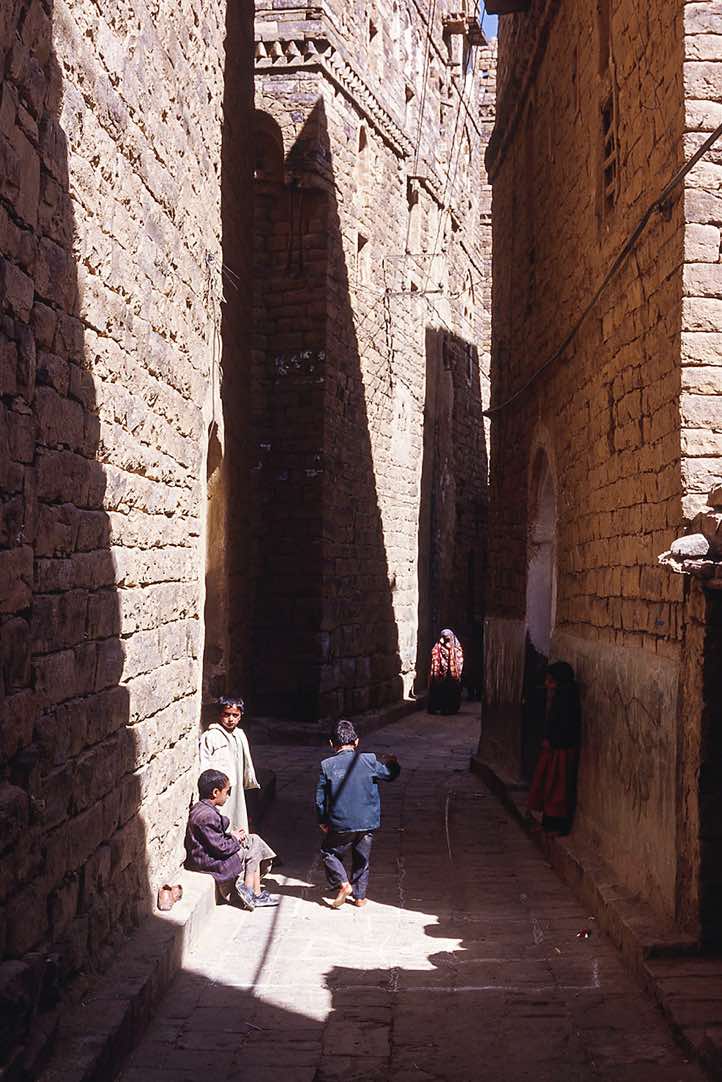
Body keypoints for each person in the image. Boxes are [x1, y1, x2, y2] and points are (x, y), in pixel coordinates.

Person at [315, 719, 400, 909]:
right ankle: (360, 897)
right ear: (357, 741)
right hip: (367, 821)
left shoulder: (327, 765)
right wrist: (393, 763)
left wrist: (322, 819)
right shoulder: (369, 760)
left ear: (331, 743)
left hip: (340, 822)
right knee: (362, 858)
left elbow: (320, 798)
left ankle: (343, 884)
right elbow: (389, 774)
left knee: (329, 852)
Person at [185, 768, 279, 910]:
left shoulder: (202, 808)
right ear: (215, 792)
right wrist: (235, 839)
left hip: (211, 855)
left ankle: (255, 893)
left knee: (254, 840)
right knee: (254, 848)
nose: (228, 796)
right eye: (226, 792)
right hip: (211, 862)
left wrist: (233, 836)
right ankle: (250, 892)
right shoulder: (207, 816)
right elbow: (221, 848)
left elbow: (214, 838)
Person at [527, 660, 581, 836]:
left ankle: (558, 826)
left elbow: (566, 726)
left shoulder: (567, 699)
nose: (547, 685)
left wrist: (553, 741)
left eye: (550, 681)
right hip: (554, 749)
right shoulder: (558, 697)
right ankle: (548, 824)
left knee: (558, 790)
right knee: (549, 787)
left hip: (561, 749)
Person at [199, 696, 259, 834]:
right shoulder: (211, 736)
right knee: (221, 816)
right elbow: (205, 764)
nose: (230, 719)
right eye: (226, 714)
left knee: (237, 815)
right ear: (220, 714)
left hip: (237, 787)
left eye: (235, 715)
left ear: (240, 716)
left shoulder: (240, 735)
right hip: (220, 789)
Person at [428, 628, 464, 715]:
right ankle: (438, 707)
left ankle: (450, 708)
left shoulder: (456, 648)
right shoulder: (437, 648)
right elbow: (433, 660)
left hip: (451, 676)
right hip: (439, 675)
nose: (445, 641)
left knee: (451, 690)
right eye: (444, 638)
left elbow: (459, 661)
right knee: (439, 690)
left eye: (448, 639)